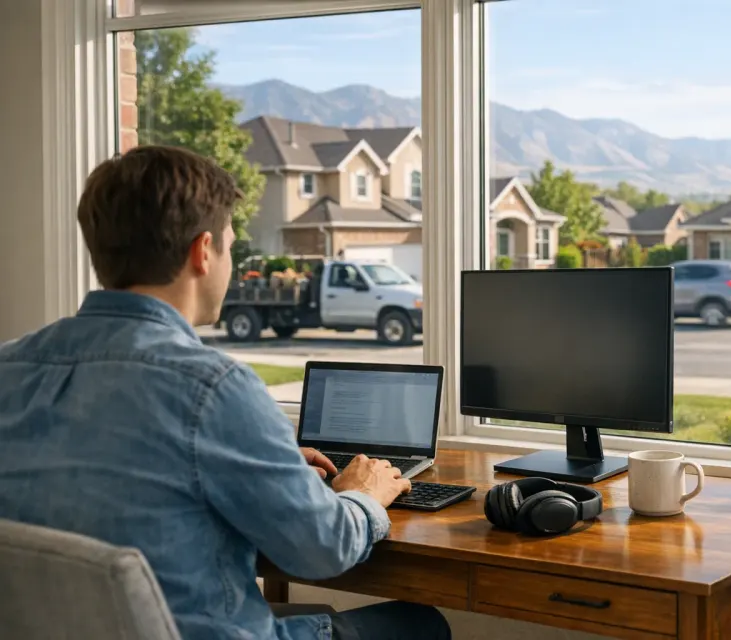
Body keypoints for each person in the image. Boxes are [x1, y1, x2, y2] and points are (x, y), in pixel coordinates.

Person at [0, 146, 451, 640]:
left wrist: (266, 459)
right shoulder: (212, 388)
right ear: (203, 251)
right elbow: (324, 549)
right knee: (420, 622)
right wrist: (364, 495)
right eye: (231, 247)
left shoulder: (10, 366)